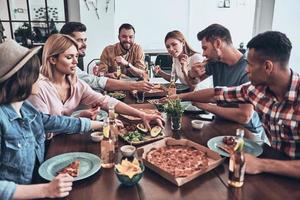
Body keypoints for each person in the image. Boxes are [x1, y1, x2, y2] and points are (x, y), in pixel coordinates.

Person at [171, 31, 300, 178]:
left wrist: (263, 165)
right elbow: (216, 93)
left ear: (267, 67)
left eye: (250, 65)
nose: (246, 69)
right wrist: (181, 96)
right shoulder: (256, 90)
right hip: (273, 171)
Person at [0, 40, 104, 200]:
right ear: (23, 78)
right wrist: (46, 190)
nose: (41, 77)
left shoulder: (26, 109)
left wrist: (102, 124)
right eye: (36, 73)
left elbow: (59, 122)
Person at [28, 34, 163, 130]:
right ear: (52, 59)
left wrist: (142, 114)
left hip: (67, 138)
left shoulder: (76, 83)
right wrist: (101, 124)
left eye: (76, 56)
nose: (76, 61)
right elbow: (47, 124)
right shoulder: (38, 87)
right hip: (44, 148)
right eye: (69, 57)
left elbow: (106, 101)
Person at [188, 24, 266, 143]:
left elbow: (244, 116)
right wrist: (192, 74)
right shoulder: (216, 62)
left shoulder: (247, 69)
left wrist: (206, 106)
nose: (203, 54)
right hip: (221, 123)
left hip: (246, 131)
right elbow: (194, 82)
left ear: (218, 44)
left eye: (205, 48)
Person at [60, 22, 153, 92]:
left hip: (135, 90)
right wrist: (134, 85)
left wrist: (127, 64)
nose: (85, 45)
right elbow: (97, 79)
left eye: (85, 40)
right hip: (116, 90)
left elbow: (143, 73)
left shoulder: (138, 49)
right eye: (79, 40)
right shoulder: (108, 50)